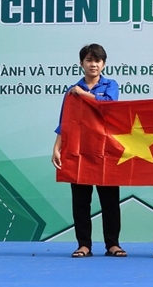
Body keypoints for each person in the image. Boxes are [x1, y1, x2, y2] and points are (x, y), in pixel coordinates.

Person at [51, 44, 126, 258]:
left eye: (98, 61)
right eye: (89, 60)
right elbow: (65, 122)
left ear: (104, 64)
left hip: (107, 150)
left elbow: (110, 105)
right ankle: (83, 245)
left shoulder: (110, 85)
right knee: (81, 201)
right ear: (81, 63)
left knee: (110, 201)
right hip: (79, 150)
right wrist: (57, 148)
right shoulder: (72, 90)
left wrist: (84, 94)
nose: (93, 64)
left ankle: (113, 244)